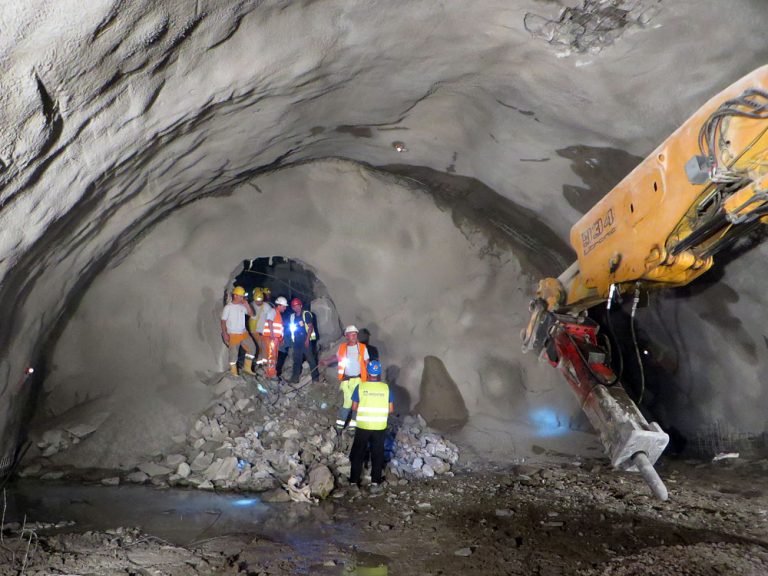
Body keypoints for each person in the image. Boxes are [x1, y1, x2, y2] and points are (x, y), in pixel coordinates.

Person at [349, 360, 394, 489]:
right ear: (379, 373)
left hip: (363, 426)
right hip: (379, 427)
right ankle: (375, 483)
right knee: (377, 454)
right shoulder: (386, 388)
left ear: (368, 372)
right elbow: (391, 409)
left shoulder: (361, 387)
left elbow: (354, 406)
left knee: (358, 454)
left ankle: (353, 483)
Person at [335, 325, 369, 432]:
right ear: (347, 336)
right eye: (352, 334)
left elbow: (367, 363)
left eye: (355, 334)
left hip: (359, 380)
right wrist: (326, 361)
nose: (354, 336)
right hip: (347, 380)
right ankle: (339, 426)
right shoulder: (342, 347)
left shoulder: (362, 348)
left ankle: (352, 427)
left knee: (357, 403)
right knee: (347, 403)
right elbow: (337, 358)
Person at [220, 286, 257, 376]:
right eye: (241, 296)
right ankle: (234, 373)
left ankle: (247, 368)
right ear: (235, 296)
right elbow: (223, 321)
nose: (242, 298)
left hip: (244, 333)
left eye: (243, 296)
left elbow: (252, 314)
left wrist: (247, 305)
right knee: (233, 355)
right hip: (233, 334)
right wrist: (225, 334)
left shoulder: (242, 306)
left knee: (252, 349)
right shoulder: (228, 307)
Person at [287, 297, 319, 383]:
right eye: (294, 306)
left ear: (301, 306)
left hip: (305, 339)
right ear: (292, 308)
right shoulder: (292, 317)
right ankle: (295, 378)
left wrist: (307, 340)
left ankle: (315, 379)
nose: (296, 308)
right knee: (297, 360)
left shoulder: (306, 314)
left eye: (297, 306)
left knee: (311, 359)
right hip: (297, 341)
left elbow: (310, 327)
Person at [263, 296, 288, 380]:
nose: (285, 308)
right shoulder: (273, 311)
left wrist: (280, 338)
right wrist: (272, 334)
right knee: (271, 356)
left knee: (274, 356)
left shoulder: (277, 314)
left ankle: (271, 373)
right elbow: (269, 321)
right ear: (279, 305)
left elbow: (279, 328)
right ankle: (271, 374)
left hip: (275, 338)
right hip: (271, 338)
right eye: (284, 306)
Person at [247, 288, 272, 364]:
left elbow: (271, 317)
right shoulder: (251, 305)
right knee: (260, 346)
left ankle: (260, 362)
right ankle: (260, 363)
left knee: (262, 347)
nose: (258, 302)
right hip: (254, 330)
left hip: (262, 330)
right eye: (257, 301)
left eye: (260, 300)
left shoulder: (266, 306)